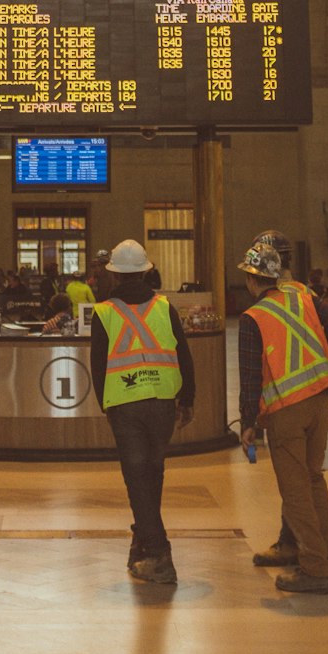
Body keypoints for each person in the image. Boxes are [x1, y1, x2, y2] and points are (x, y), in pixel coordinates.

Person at [238, 230, 328, 594]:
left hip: (288, 409)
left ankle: (315, 568)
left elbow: (251, 376)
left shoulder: (253, 316)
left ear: (251, 279)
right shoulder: (303, 297)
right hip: (321, 400)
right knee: (313, 478)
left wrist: (247, 424)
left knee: (295, 491)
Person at [91, 239, 195, 585]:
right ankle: (142, 543)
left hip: (125, 405)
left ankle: (160, 552)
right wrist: (188, 399)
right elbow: (184, 355)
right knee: (152, 471)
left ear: (115, 276)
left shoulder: (104, 312)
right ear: (147, 271)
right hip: (164, 402)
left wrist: (105, 404)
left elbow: (98, 368)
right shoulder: (166, 307)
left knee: (136, 477)